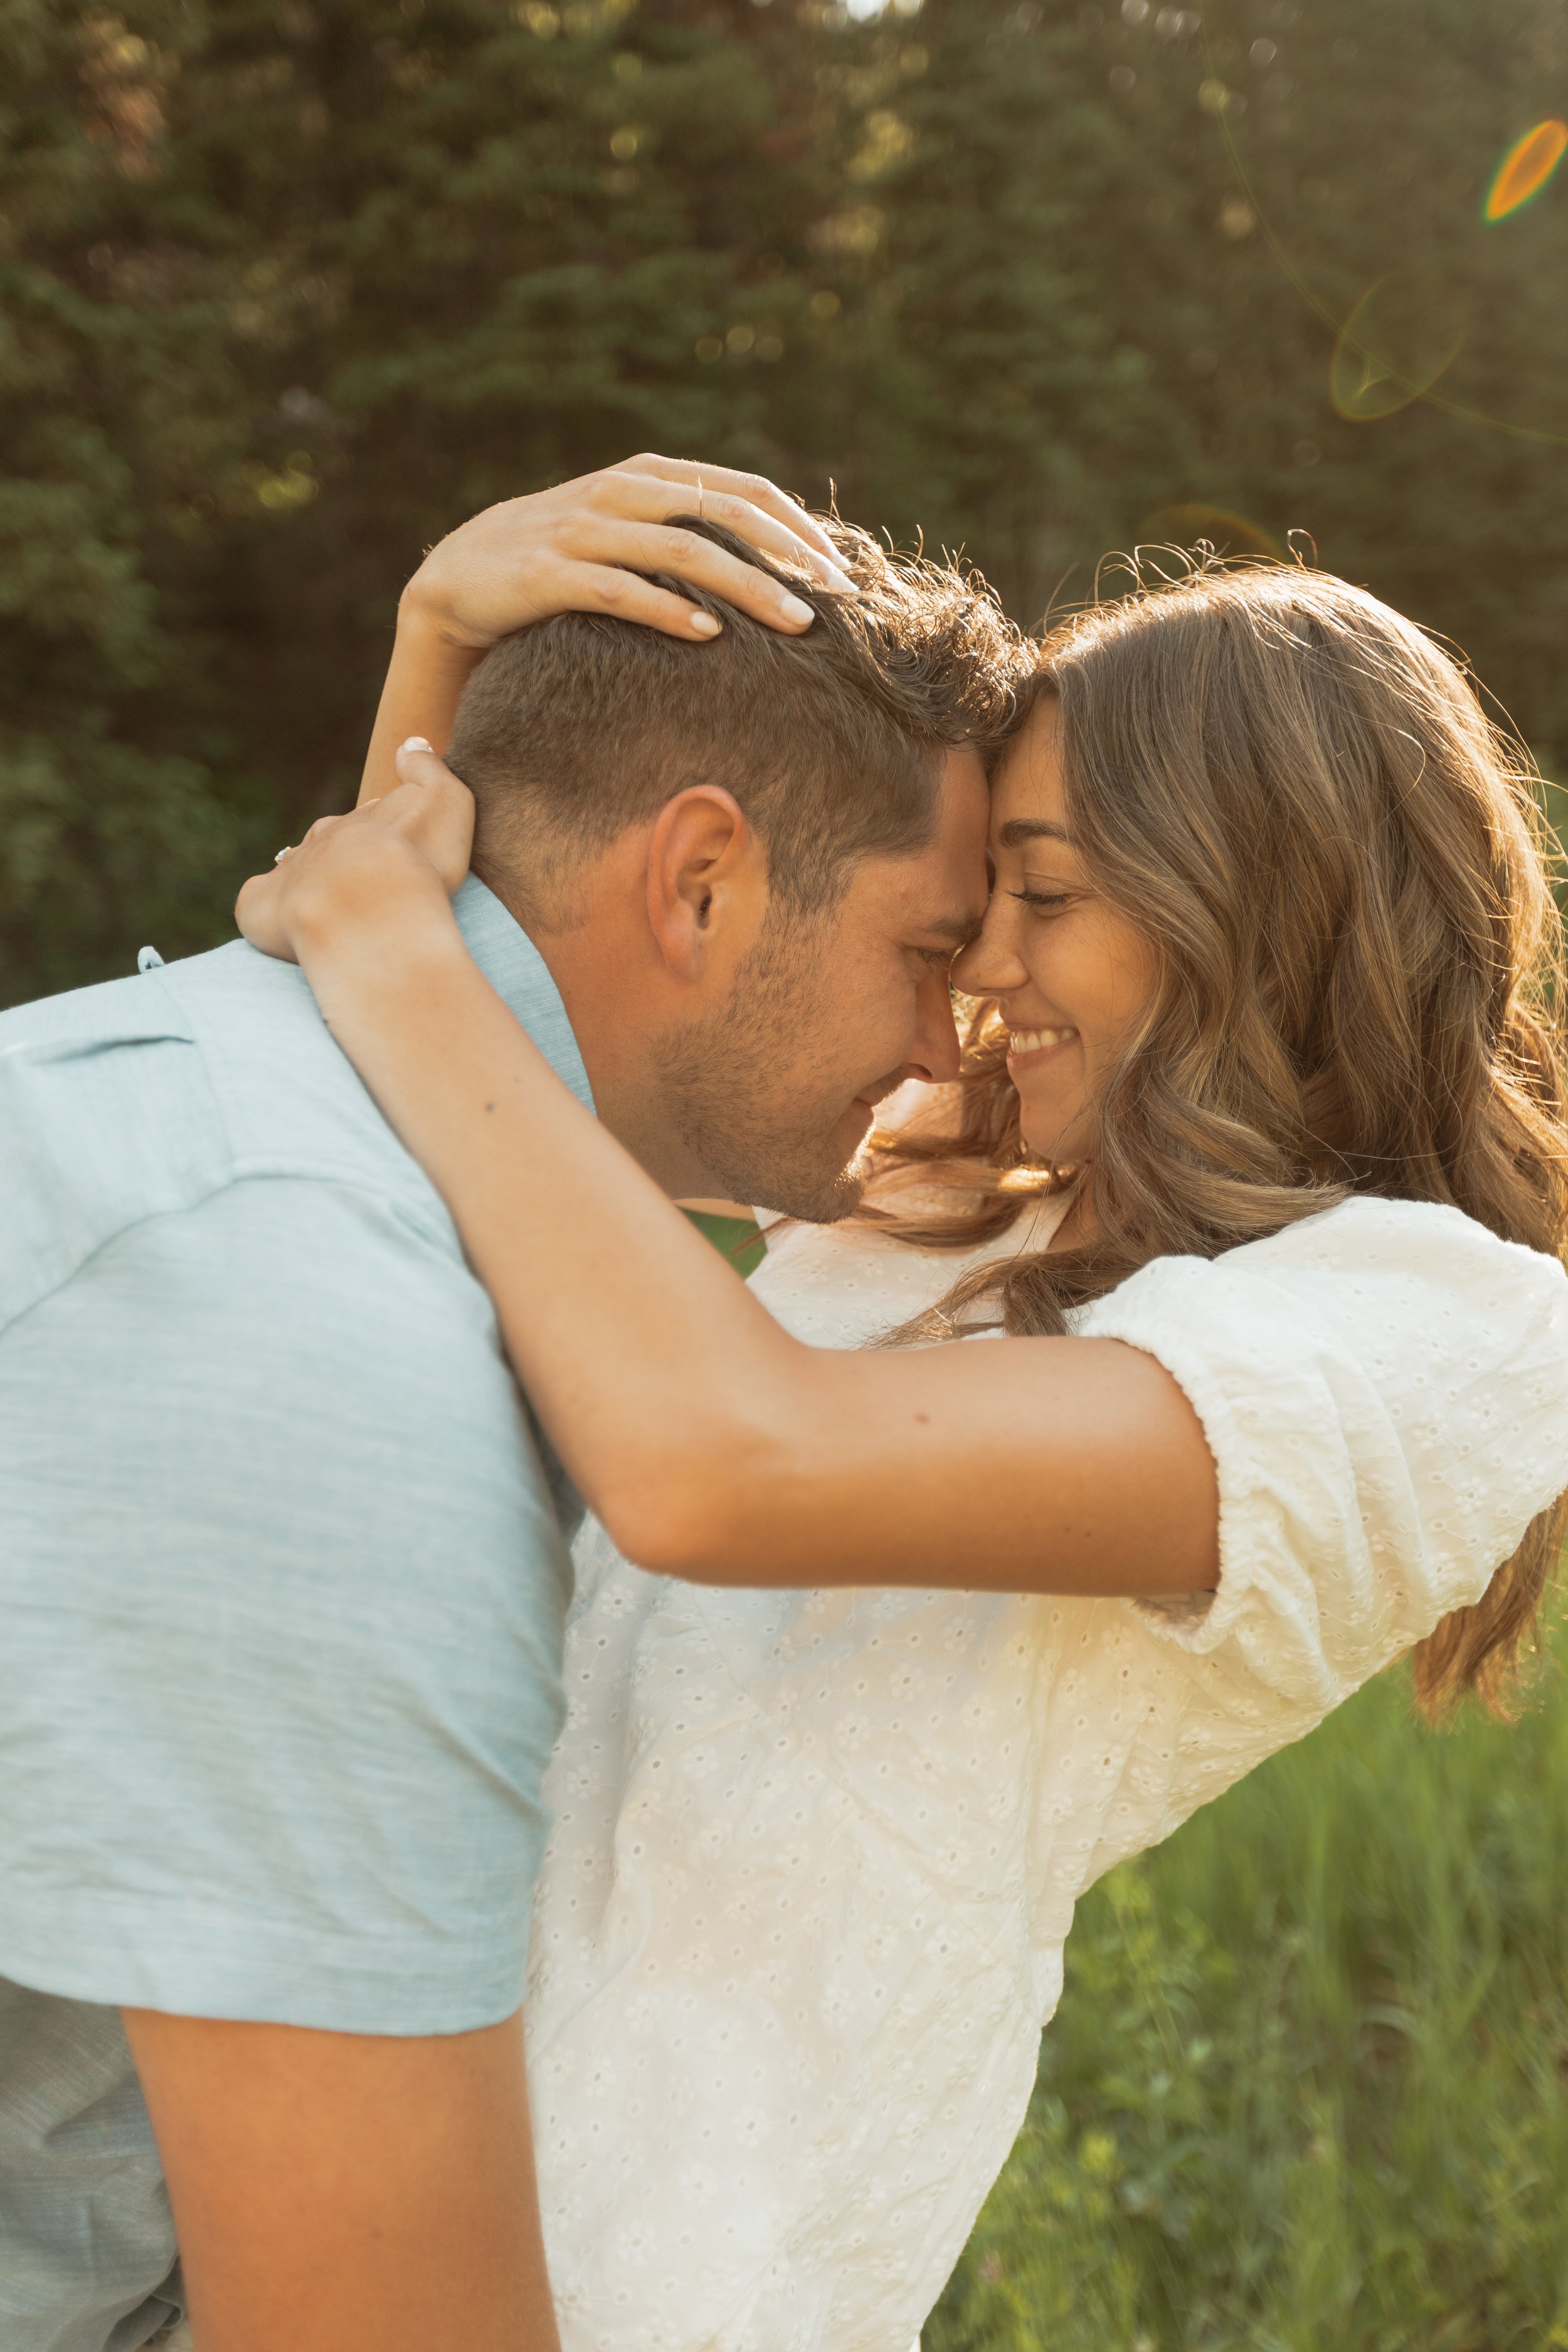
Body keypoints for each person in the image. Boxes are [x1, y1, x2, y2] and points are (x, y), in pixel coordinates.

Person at [241, 554, 1568, 2351]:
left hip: (663, 2268)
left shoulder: (1446, 1333)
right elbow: (466, 1123)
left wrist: (391, 949)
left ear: (1246, 902)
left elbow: (722, 1471)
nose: (979, 973)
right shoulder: (969, 1202)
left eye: (1039, 897)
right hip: (326, 2202)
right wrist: (440, 657)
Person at [0, 455, 1036, 2352]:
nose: (931, 1051)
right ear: (702, 878)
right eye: (926, 953)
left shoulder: (233, 1101)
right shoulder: (311, 1349)